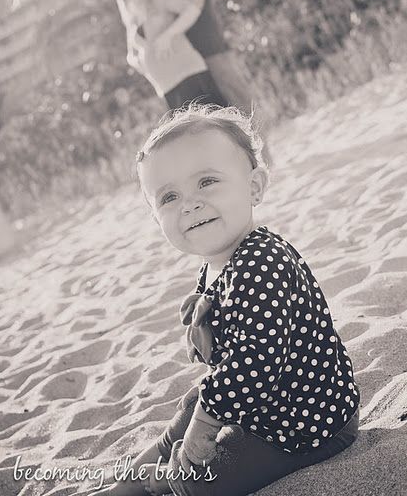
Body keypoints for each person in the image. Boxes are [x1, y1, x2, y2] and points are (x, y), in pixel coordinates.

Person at [94, 104, 360, 496]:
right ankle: (132, 482)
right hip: (265, 406)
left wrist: (205, 427)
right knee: (191, 405)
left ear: (254, 187)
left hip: (310, 422)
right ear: (156, 218)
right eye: (169, 197)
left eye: (207, 182)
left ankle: (164, 485)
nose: (190, 203)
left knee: (203, 478)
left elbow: (255, 363)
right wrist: (198, 416)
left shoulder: (262, 263)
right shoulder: (219, 262)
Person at [113, 0, 228, 109]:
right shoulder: (132, 20)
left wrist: (168, 35)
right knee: (193, 131)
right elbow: (130, 55)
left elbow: (191, 10)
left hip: (189, 72)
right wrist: (141, 63)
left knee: (219, 122)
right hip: (166, 87)